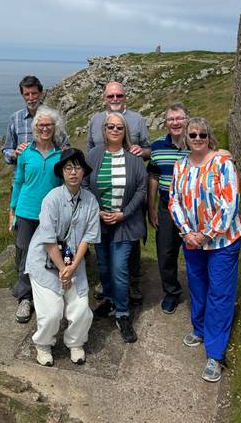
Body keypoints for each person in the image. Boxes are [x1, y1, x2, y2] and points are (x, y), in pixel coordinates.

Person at [169, 117, 241, 382]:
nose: (198, 139)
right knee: (198, 286)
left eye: (202, 134)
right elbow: (174, 200)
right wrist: (188, 233)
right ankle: (200, 328)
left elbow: (230, 203)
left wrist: (206, 234)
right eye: (193, 135)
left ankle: (215, 353)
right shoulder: (180, 165)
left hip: (222, 241)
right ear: (186, 138)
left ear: (209, 136)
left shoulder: (223, 163)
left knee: (220, 292)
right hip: (191, 240)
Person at [25, 148, 100, 367]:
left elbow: (88, 237)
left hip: (73, 263)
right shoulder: (52, 199)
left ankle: (75, 342)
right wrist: (62, 270)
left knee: (81, 310)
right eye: (68, 168)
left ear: (84, 171)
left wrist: (72, 268)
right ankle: (43, 345)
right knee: (51, 312)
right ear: (62, 173)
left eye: (77, 167)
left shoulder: (90, 201)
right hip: (45, 262)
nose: (73, 172)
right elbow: (48, 239)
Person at [84, 113, 147, 343]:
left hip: (125, 224)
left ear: (125, 131)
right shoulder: (93, 156)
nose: (114, 130)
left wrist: (123, 214)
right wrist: (97, 210)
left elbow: (141, 189)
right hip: (99, 222)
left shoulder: (134, 158)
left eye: (119, 127)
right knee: (103, 266)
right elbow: (84, 185)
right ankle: (110, 300)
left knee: (120, 269)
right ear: (104, 130)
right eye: (110, 126)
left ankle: (122, 313)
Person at [87, 81, 150, 304]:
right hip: (102, 197)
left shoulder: (137, 119)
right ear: (105, 97)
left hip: (129, 187)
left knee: (128, 249)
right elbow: (89, 154)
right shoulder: (95, 120)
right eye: (111, 96)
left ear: (125, 96)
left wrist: (141, 152)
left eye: (119, 95)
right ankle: (110, 290)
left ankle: (131, 284)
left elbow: (147, 149)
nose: (115, 99)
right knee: (106, 261)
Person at [9, 105, 66, 324]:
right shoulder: (25, 154)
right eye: (41, 125)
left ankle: (48, 294)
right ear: (35, 128)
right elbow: (18, 182)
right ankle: (25, 299)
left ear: (55, 127)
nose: (44, 129)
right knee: (24, 255)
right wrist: (12, 211)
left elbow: (63, 186)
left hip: (51, 214)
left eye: (48, 125)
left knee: (50, 254)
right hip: (26, 212)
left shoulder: (61, 155)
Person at [147, 103, 189, 315]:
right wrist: (151, 208)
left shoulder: (197, 143)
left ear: (186, 120)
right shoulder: (157, 146)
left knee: (195, 251)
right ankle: (172, 292)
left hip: (192, 210)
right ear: (166, 122)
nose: (175, 123)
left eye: (179, 118)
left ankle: (200, 292)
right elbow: (153, 177)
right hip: (166, 208)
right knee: (165, 253)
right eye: (171, 119)